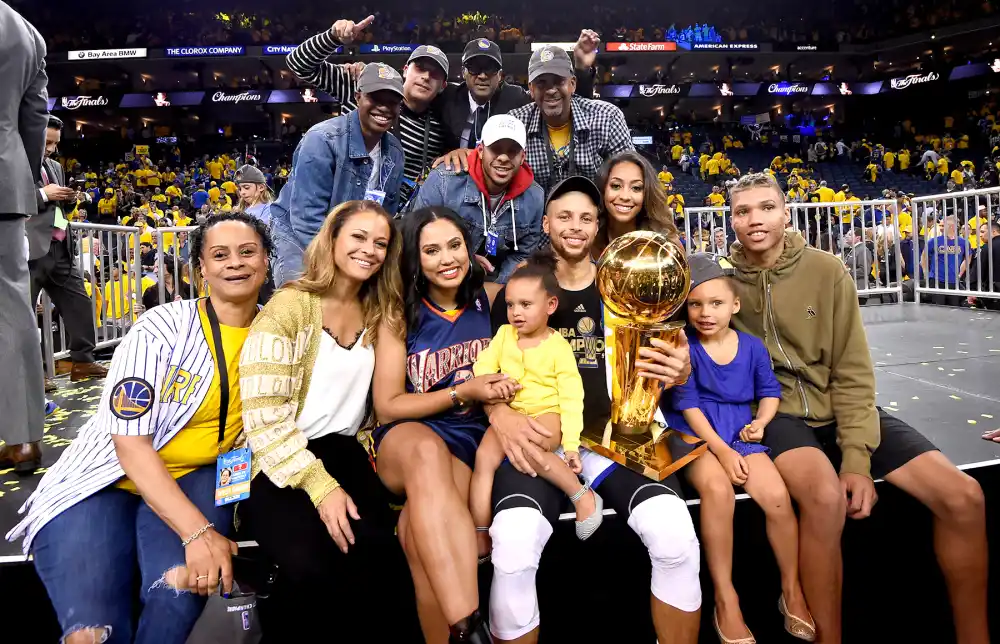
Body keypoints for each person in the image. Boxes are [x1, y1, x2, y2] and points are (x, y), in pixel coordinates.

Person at [726, 172, 988, 644]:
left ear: (786, 213)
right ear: (732, 220)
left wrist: (857, 460)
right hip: (776, 416)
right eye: (743, 211)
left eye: (767, 207)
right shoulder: (722, 283)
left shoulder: (827, 270)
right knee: (825, 500)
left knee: (964, 497)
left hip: (839, 403)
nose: (755, 219)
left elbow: (851, 369)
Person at [6, 212, 273, 644]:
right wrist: (199, 531)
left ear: (265, 261)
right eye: (219, 254)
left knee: (176, 593)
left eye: (248, 252)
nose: (235, 263)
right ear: (200, 268)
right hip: (105, 476)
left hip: (203, 473)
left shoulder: (281, 330)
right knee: (93, 631)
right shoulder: (161, 326)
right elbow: (129, 442)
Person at [486, 177, 701, 644]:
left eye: (586, 217)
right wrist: (501, 417)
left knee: (675, 534)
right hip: (539, 439)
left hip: (612, 437)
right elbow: (491, 373)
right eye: (564, 215)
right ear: (546, 222)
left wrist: (679, 367)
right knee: (515, 545)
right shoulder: (520, 289)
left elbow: (667, 357)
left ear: (598, 224)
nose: (575, 227)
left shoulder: (625, 281)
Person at [238, 200, 414, 638]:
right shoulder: (290, 306)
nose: (370, 250)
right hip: (282, 462)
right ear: (332, 238)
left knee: (379, 565)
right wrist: (321, 488)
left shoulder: (379, 312)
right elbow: (265, 422)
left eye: (380, 243)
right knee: (310, 566)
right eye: (358, 237)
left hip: (348, 455)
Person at [371, 207, 511, 644]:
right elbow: (388, 406)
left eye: (454, 245)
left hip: (468, 443)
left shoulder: (493, 299)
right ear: (414, 259)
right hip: (406, 438)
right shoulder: (399, 314)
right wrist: (461, 393)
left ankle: (454, 634)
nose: (447, 258)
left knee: (416, 532)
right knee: (425, 453)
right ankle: (471, 628)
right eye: (431, 250)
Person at [665, 253, 814, 643]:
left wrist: (761, 424)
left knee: (778, 498)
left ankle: (791, 588)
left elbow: (769, 392)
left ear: (735, 305)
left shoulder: (751, 347)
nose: (705, 312)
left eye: (716, 303)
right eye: (695, 304)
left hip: (738, 431)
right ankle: (726, 597)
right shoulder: (687, 346)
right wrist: (722, 451)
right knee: (719, 494)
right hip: (696, 436)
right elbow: (688, 405)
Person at [470, 251, 599, 561]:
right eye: (511, 304)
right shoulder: (503, 335)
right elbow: (481, 367)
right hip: (510, 414)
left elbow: (570, 397)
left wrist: (570, 446)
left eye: (526, 305)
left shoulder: (558, 347)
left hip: (547, 414)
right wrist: (494, 383)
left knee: (531, 448)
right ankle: (480, 531)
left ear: (550, 305)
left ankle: (581, 495)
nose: (516, 312)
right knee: (484, 458)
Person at [270, 62, 405, 286]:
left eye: (392, 102)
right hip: (297, 235)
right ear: (358, 96)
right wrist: (342, 265)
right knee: (300, 297)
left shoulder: (395, 152)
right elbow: (307, 219)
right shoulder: (322, 139)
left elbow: (384, 217)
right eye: (375, 98)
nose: (384, 108)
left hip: (355, 241)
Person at [286, 17, 447, 204]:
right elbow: (298, 64)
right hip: (330, 208)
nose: (426, 77)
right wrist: (332, 38)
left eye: (435, 74)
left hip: (388, 216)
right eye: (420, 68)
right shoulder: (363, 83)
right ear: (405, 70)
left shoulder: (440, 122)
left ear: (443, 85)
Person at [0, 1, 48, 475]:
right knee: (12, 310)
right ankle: (24, 440)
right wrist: (24, 177)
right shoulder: (25, 31)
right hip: (6, 185)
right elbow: (33, 120)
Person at [410, 115, 544, 283]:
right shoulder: (443, 181)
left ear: (523, 157)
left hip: (495, 282)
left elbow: (523, 254)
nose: (503, 158)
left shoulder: (535, 197)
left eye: (512, 151)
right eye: (495, 148)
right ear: (480, 151)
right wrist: (466, 262)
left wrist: (498, 292)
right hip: (441, 274)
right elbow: (415, 237)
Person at [433, 32, 598, 169]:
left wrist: (582, 70)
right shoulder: (448, 96)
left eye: (490, 69)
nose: (482, 76)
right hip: (453, 173)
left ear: (500, 75)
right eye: (474, 68)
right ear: (463, 72)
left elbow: (561, 102)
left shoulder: (516, 98)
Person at [29, 116, 109, 388]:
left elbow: (61, 212)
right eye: (46, 142)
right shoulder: (15, 163)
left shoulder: (54, 167)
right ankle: (33, 375)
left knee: (80, 302)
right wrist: (42, 195)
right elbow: (8, 200)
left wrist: (69, 202)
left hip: (60, 247)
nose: (51, 148)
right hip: (26, 251)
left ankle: (83, 362)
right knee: (25, 315)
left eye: (55, 143)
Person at [506, 45, 634, 191]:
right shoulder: (515, 123)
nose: (551, 90)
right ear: (531, 89)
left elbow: (630, 178)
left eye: (558, 81)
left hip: (594, 212)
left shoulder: (607, 117)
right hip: (538, 213)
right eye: (542, 83)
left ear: (572, 84)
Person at [592, 150, 679, 258]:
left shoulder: (668, 245)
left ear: (647, 193)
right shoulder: (588, 240)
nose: (625, 196)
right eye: (616, 186)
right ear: (603, 189)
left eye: (636, 188)